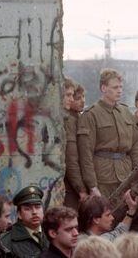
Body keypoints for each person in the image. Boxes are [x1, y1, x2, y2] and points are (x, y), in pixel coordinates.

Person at [77, 68, 138, 197]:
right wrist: (92, 185)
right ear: (103, 88)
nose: (119, 91)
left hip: (126, 176)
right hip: (103, 178)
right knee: (103, 215)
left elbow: (136, 147)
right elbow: (85, 154)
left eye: (120, 87)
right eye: (115, 87)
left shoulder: (125, 112)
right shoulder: (91, 114)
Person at [0, 185, 48, 257]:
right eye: (27, 209)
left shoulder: (53, 233)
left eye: (38, 207)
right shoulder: (6, 241)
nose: (34, 212)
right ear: (19, 214)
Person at [62, 78, 87, 210]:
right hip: (71, 186)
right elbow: (71, 157)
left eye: (83, 97)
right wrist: (81, 188)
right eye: (78, 97)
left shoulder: (78, 118)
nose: (82, 100)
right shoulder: (69, 121)